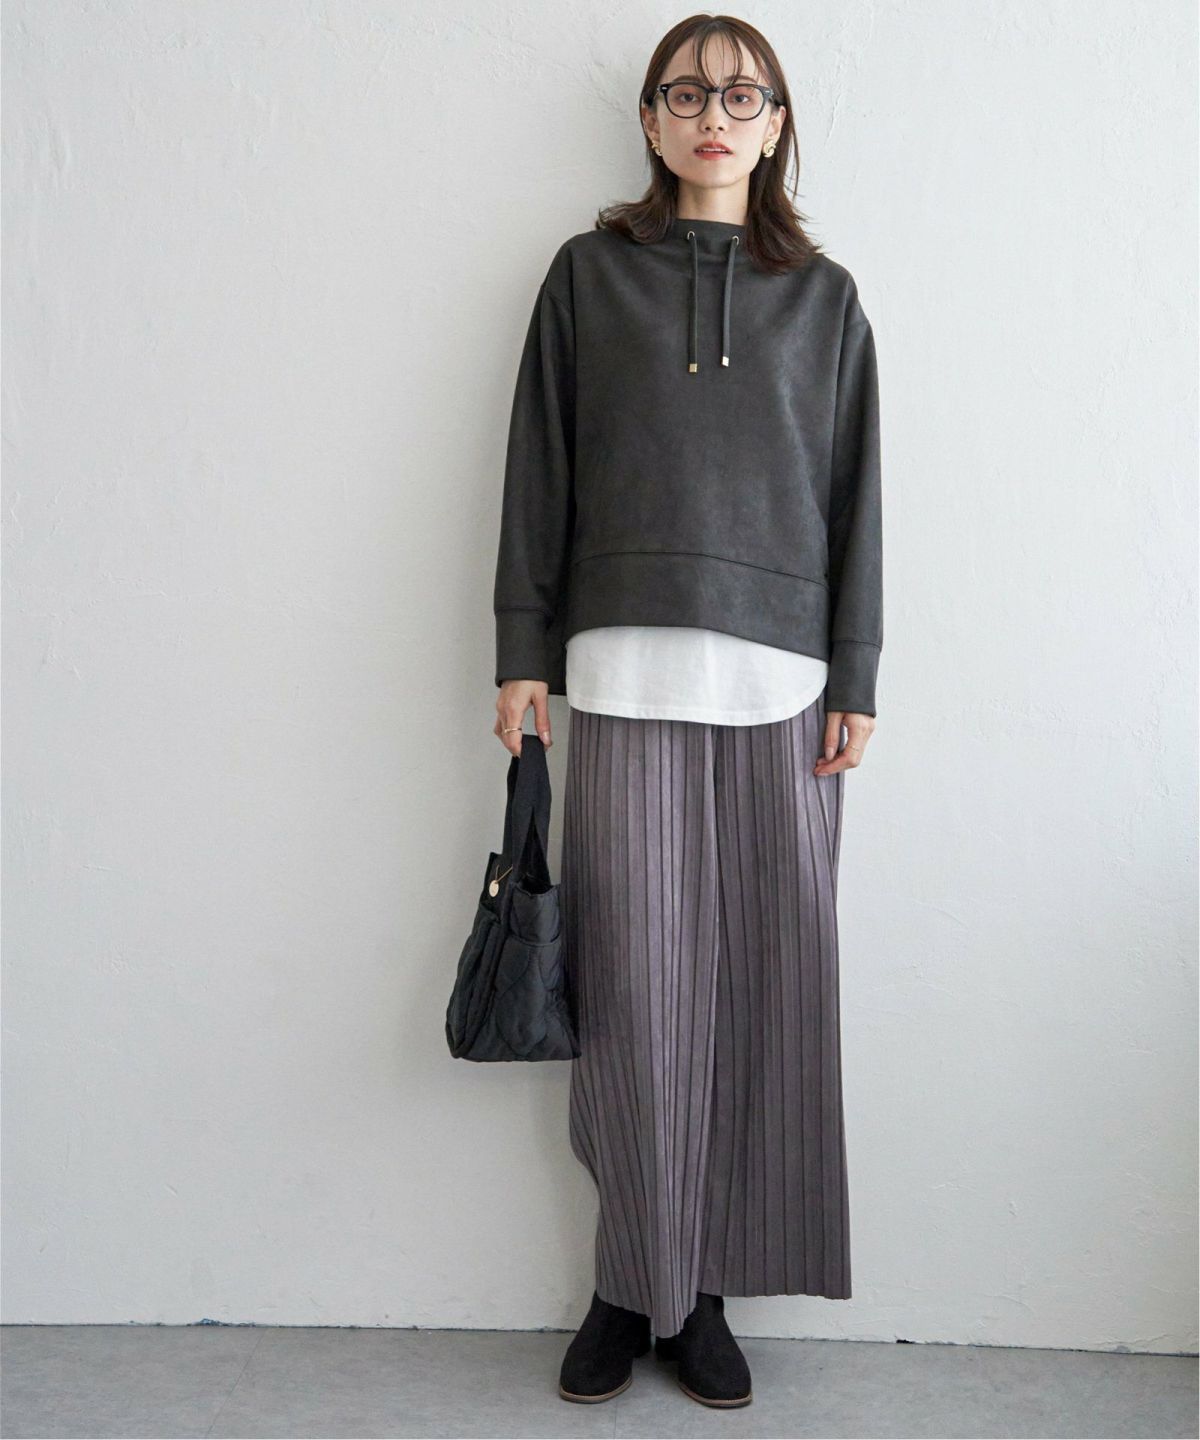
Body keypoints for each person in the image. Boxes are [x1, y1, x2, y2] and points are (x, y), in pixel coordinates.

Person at [490, 14, 882, 1411]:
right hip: (627, 675)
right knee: (638, 1000)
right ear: (652, 121)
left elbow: (856, 496)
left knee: (764, 994)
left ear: (775, 126)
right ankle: (629, 1281)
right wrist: (520, 649)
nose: (714, 114)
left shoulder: (824, 300)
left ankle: (704, 1287)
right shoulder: (589, 277)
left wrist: (858, 673)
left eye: (742, 94)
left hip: (784, 691)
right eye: (687, 92)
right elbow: (539, 466)